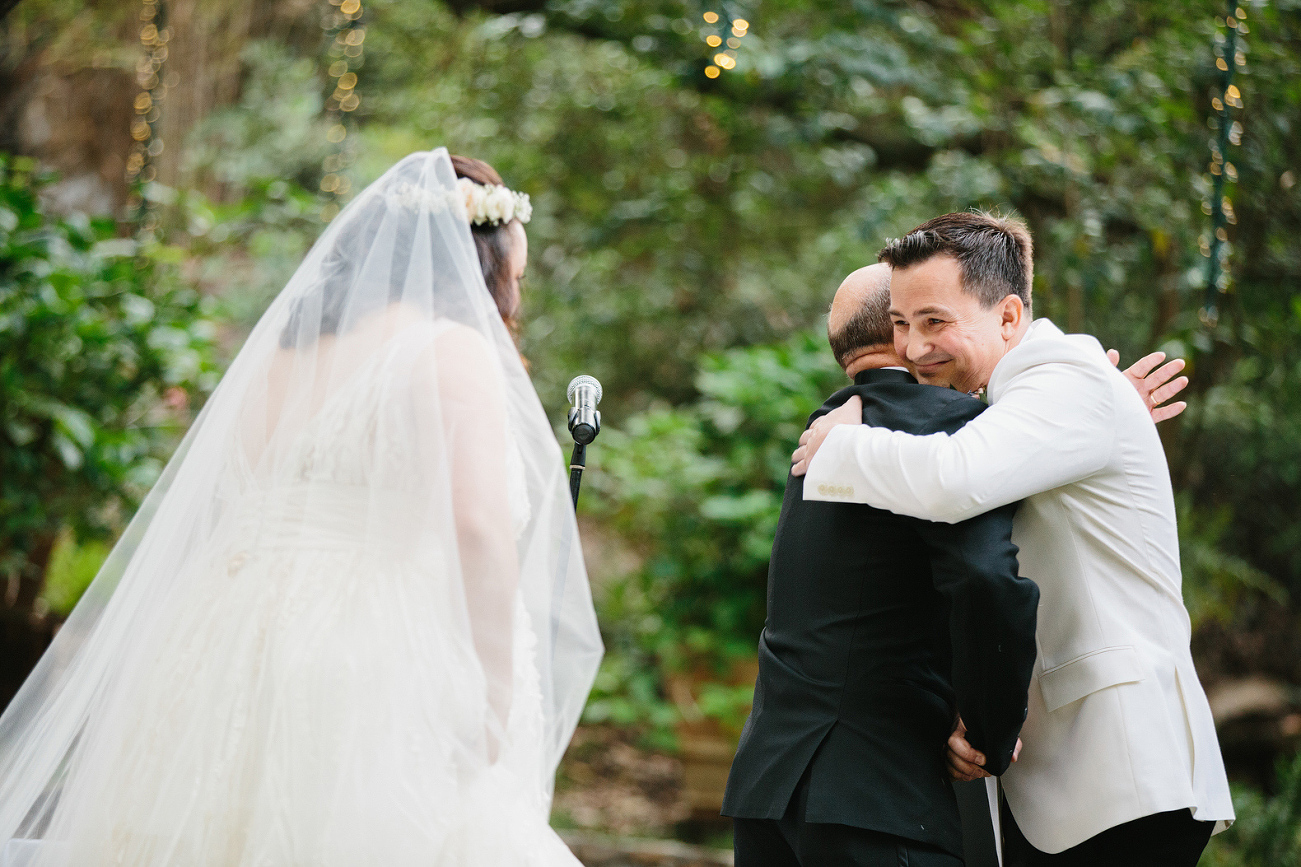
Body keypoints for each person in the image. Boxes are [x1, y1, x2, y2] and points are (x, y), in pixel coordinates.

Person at [0, 149, 603, 867]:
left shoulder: (281, 358)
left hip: (213, 633)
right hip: (361, 646)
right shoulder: (450, 348)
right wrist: (493, 689)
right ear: (480, 265)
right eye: (514, 277)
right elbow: (476, 526)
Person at [791, 212, 1233, 866]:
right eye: (902, 325)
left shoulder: (1064, 376)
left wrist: (844, 442)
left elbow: (953, 481)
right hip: (1060, 783)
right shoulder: (1025, 398)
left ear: (1007, 317)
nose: (912, 350)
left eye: (934, 322)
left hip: (1118, 770)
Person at [722, 263, 1040, 867]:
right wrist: (990, 736)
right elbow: (984, 579)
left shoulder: (824, 431)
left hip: (770, 795)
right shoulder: (949, 430)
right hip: (875, 799)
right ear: (900, 334)